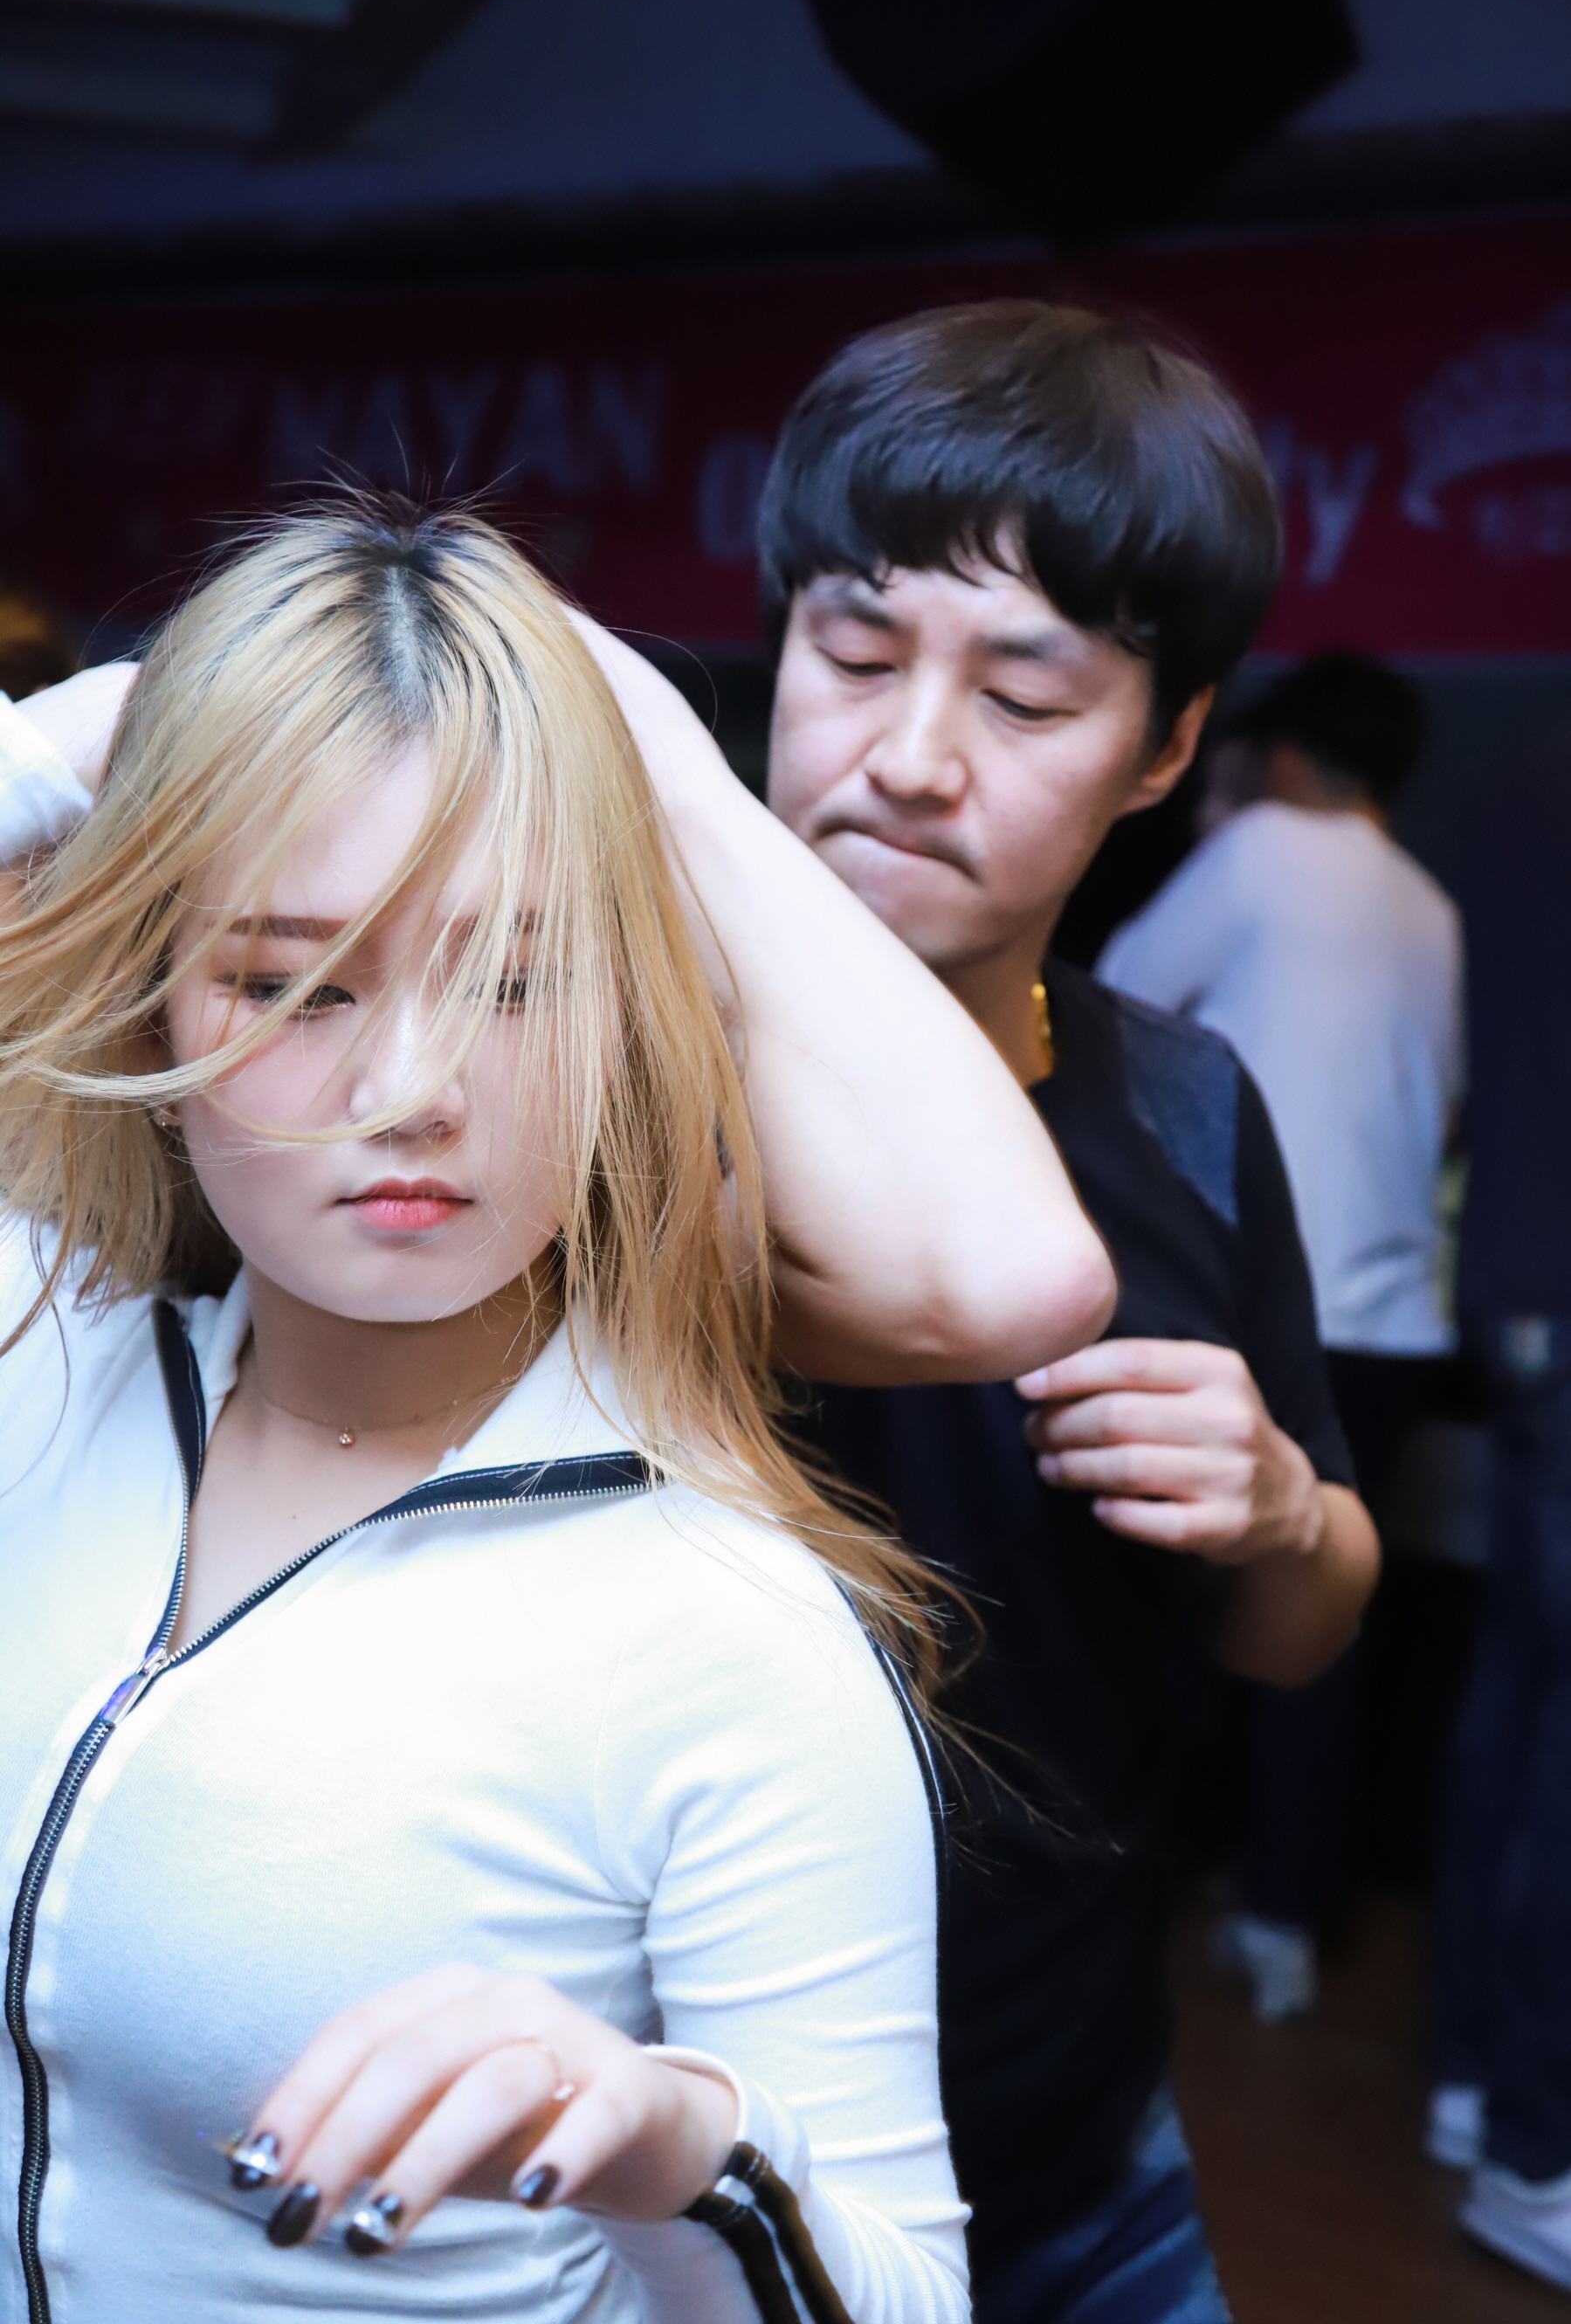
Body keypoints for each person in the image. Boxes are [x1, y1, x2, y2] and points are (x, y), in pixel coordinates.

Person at [0, 499, 1115, 2324]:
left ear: (623, 1018)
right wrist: (116, 729)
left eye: (517, 978)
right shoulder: (37, 1363)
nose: (413, 1087)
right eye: (289, 980)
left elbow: (905, 2290)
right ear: (154, 1001)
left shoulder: (718, 1622)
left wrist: (685, 2147)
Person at [760, 300, 1381, 2324]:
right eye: (855, 653)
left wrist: (1282, 1506)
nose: (907, 756)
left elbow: (1303, 1627)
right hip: (659, 2193)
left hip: (1076, 2168)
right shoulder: (570, 1069)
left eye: (1026, 695)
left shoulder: (1187, 1106)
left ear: (1170, 745)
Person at [1099, 654, 1464, 2017]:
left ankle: (1158, 1877)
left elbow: (1101, 1000)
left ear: (1287, 760)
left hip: (1260, 1304)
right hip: (1400, 1321)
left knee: (1167, 1599)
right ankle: (1285, 1916)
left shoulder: (1259, 849)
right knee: (1325, 1613)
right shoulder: (1432, 907)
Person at [1428, 726, 1571, 2292]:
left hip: (1518, 1279)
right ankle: (1539, 2147)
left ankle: (1478, 2081)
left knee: (1522, 1697)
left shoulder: (1521, 780)